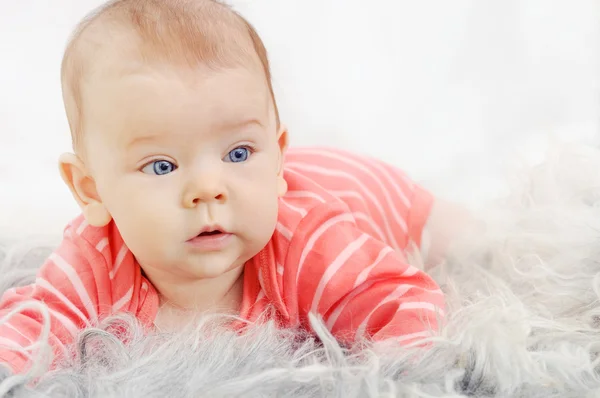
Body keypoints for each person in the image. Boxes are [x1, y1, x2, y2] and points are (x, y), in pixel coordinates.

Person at [0, 0, 450, 375]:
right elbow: (35, 325)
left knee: (454, 236)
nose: (208, 190)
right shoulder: (96, 258)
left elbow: (404, 303)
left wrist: (399, 366)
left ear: (276, 157)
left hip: (370, 190)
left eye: (238, 154)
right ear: (91, 190)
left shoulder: (308, 242)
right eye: (161, 165)